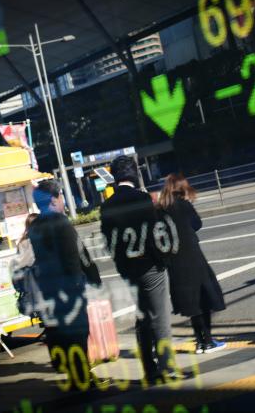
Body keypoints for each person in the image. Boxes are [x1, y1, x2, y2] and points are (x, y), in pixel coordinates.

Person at [100, 155, 180, 384]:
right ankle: (167, 366)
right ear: (134, 173)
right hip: (150, 265)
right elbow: (155, 234)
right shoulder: (143, 199)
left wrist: (122, 265)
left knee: (143, 316)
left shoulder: (107, 206)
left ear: (114, 176)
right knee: (160, 316)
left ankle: (149, 367)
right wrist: (162, 260)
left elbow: (110, 242)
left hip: (128, 268)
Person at [28, 180, 90, 391]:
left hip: (48, 287)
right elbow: (73, 258)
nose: (63, 200)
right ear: (54, 199)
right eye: (61, 195)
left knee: (62, 332)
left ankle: (75, 374)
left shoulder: (35, 226)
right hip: (68, 286)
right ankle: (81, 377)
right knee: (78, 331)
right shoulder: (61, 223)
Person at [158, 174, 226, 354]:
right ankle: (209, 341)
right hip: (193, 257)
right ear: (182, 188)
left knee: (192, 304)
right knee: (204, 298)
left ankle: (200, 342)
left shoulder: (161, 209)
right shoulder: (184, 205)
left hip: (174, 261)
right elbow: (197, 224)